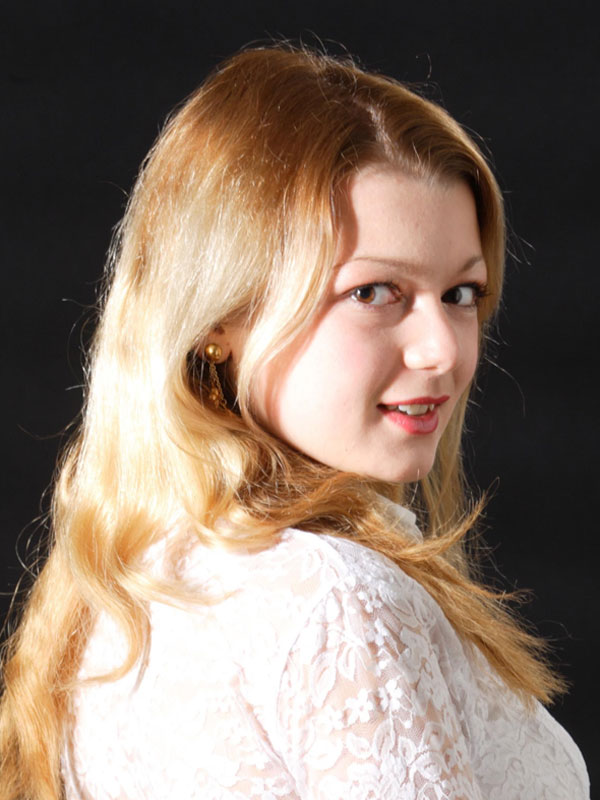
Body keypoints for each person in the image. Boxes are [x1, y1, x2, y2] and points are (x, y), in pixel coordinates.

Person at [0, 44, 589, 799]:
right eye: (374, 292)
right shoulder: (336, 599)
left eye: (461, 294)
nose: (444, 350)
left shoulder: (119, 588)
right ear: (219, 317)